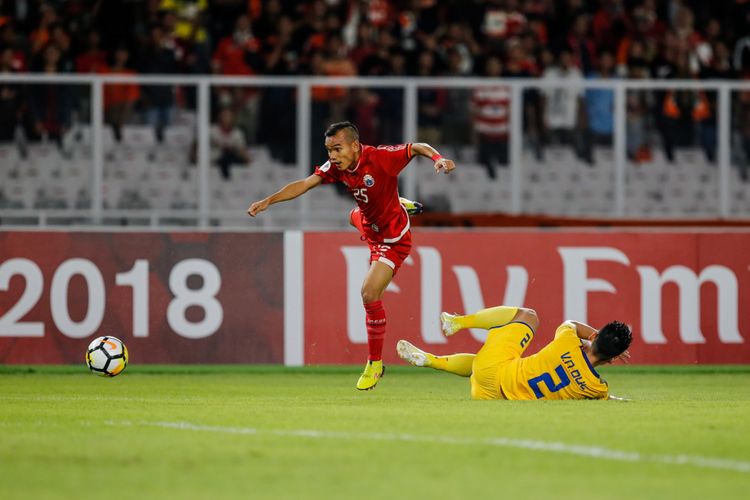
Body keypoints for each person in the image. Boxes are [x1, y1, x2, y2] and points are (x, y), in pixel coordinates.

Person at [248, 121, 456, 390]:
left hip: (393, 238)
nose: (332, 156)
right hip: (369, 225)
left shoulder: (380, 158)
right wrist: (268, 201)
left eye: (337, 149)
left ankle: (375, 364)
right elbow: (305, 183)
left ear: (355, 146)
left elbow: (417, 147)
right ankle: (398, 202)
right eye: (328, 150)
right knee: (353, 216)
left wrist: (438, 159)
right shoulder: (336, 166)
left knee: (369, 293)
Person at [397, 304, 632, 400]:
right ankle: (430, 360)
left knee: (529, 315)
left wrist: (592, 333)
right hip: (491, 398)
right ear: (611, 360)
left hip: (491, 370)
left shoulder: (568, 342)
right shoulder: (596, 388)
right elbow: (607, 398)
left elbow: (570, 323)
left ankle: (459, 322)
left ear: (593, 336)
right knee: (484, 365)